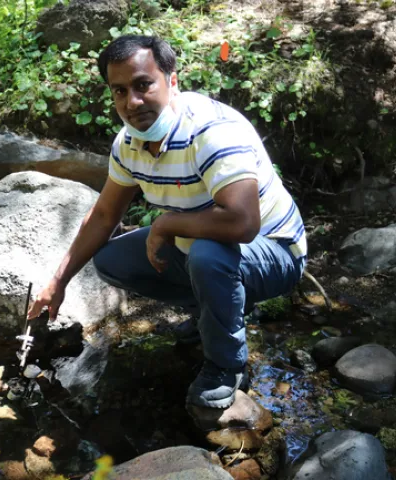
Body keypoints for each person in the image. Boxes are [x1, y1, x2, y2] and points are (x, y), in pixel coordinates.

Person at [27, 34, 307, 410]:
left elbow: (242, 223)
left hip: (275, 250)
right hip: (210, 246)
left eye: (143, 85)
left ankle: (226, 366)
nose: (132, 102)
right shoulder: (129, 144)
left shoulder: (211, 131)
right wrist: (58, 281)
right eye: (120, 91)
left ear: (172, 81)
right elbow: (106, 214)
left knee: (208, 256)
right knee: (111, 260)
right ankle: (213, 313)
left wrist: (165, 225)